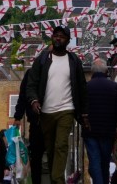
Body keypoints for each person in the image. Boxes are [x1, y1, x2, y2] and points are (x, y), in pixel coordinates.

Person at [26, 25, 89, 184]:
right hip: (45, 112)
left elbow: (82, 88)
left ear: (68, 40)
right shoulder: (42, 59)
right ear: (52, 38)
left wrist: (84, 113)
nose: (58, 38)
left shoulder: (73, 60)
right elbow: (31, 83)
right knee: (52, 149)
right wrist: (34, 100)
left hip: (66, 110)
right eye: (56, 35)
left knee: (61, 145)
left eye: (62, 36)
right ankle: (56, 179)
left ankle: (57, 180)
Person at [83, 59, 117, 184]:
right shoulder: (114, 87)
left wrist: (82, 122)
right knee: (105, 162)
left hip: (90, 131)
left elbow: (79, 107)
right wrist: (116, 125)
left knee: (94, 161)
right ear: (106, 71)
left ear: (92, 71)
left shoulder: (86, 87)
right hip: (108, 131)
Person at [14, 68, 44, 184]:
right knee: (36, 157)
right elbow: (23, 96)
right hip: (37, 121)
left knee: (38, 157)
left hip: (43, 121)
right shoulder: (32, 73)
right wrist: (18, 116)